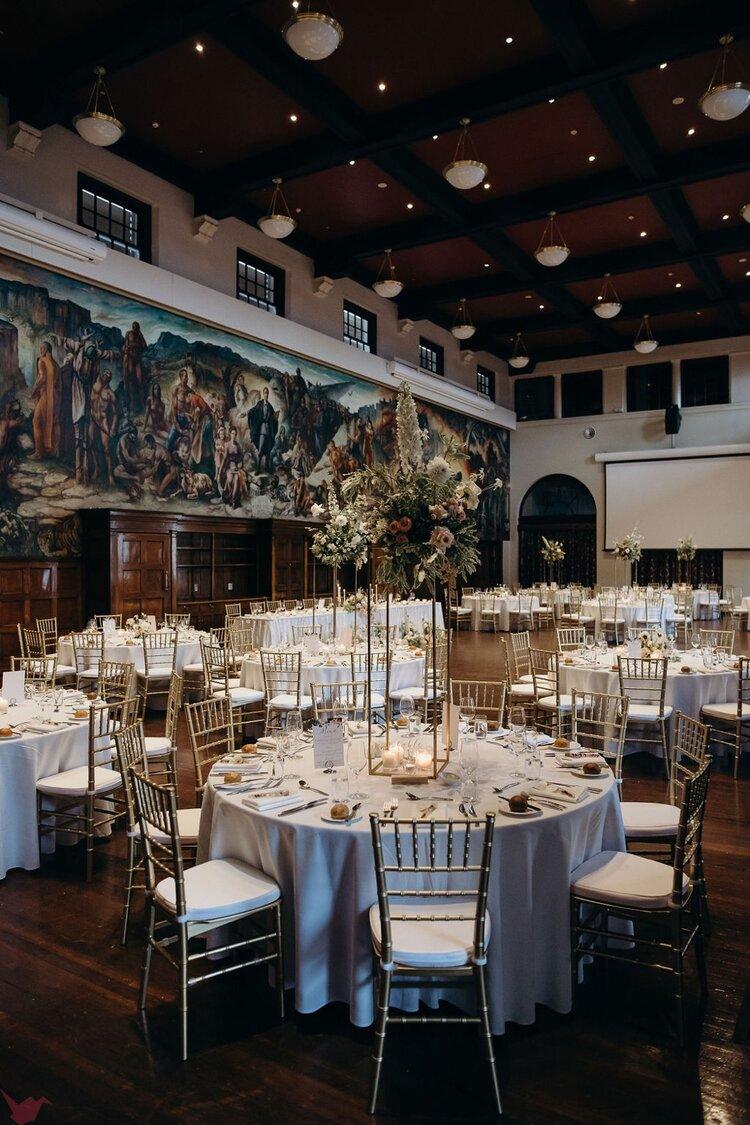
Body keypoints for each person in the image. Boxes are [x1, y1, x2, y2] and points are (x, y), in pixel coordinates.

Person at [29, 341, 61, 459]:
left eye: (41, 348)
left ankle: (39, 452)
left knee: (36, 421)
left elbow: (42, 378)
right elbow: (58, 384)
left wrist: (33, 391)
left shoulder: (42, 361)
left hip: (46, 397)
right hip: (55, 398)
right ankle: (54, 451)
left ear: (46, 349)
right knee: (54, 422)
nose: (40, 351)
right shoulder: (56, 365)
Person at [88, 369, 118, 488]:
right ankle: (97, 468)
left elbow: (116, 413)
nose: (106, 375)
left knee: (106, 449)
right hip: (93, 418)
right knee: (91, 444)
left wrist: (113, 428)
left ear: (110, 378)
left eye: (108, 374)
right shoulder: (95, 385)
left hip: (103, 420)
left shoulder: (110, 394)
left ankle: (110, 475)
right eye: (105, 373)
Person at [249, 385, 277, 472]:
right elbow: (253, 411)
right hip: (261, 430)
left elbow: (273, 419)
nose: (266, 395)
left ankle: (266, 467)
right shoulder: (260, 404)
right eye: (265, 393)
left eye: (267, 393)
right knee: (260, 449)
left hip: (268, 430)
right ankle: (258, 468)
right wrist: (248, 412)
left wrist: (275, 417)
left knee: (268, 450)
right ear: (263, 394)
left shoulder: (270, 406)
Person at [122, 321, 147, 413]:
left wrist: (141, 335)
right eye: (133, 327)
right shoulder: (129, 333)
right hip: (129, 358)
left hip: (137, 360)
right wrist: (127, 349)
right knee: (128, 381)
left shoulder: (139, 336)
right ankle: (127, 406)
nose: (134, 329)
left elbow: (145, 346)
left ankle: (142, 404)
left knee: (140, 381)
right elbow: (124, 346)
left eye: (136, 327)